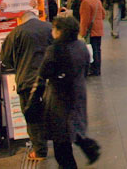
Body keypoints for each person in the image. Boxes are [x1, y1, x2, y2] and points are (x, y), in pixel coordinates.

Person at [39, 16, 101, 169]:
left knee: (61, 144)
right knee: (73, 128)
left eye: (54, 28)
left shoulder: (54, 50)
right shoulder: (81, 46)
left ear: (60, 31)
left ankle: (85, 150)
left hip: (59, 98)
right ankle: (88, 147)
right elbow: (86, 67)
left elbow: (44, 72)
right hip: (78, 93)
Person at [0, 8, 53, 160]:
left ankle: (40, 150)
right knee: (51, 112)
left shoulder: (16, 33)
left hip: (27, 81)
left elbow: (6, 58)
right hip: (50, 80)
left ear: (20, 20)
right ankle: (59, 145)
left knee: (32, 116)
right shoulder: (49, 28)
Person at [77, 0, 104, 76]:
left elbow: (85, 20)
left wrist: (82, 33)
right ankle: (97, 69)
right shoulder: (97, 1)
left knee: (91, 50)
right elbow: (103, 14)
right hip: (99, 29)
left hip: (91, 31)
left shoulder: (85, 2)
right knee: (97, 49)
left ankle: (93, 69)